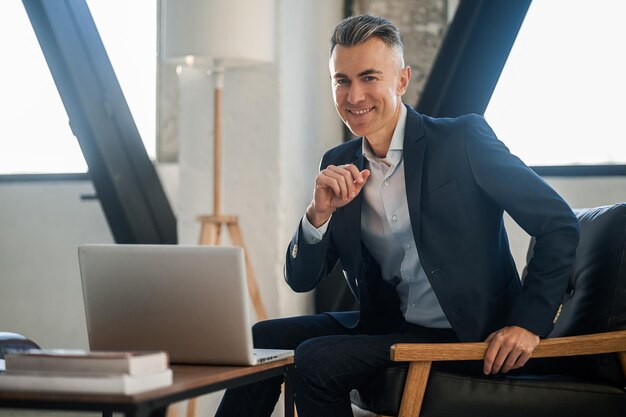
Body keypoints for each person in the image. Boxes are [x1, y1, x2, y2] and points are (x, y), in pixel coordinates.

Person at [216, 14, 579, 417]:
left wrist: (526, 323)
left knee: (317, 361)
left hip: (466, 331)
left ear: (402, 80)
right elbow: (301, 280)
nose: (354, 96)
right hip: (389, 324)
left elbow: (557, 223)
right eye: (342, 81)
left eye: (369, 78)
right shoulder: (338, 164)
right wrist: (318, 215)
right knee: (265, 336)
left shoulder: (461, 141)